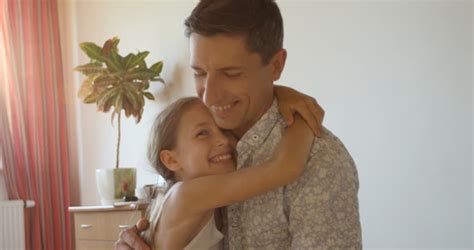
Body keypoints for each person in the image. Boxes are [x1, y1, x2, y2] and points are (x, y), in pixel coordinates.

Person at [117, 0, 362, 248]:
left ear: (276, 65)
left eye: (231, 73)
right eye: (200, 73)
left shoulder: (320, 161)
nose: (209, 97)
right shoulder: (206, 155)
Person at [139, 96, 313, 249]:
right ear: (171, 160)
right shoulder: (184, 196)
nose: (222, 140)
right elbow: (283, 169)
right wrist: (302, 117)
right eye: (203, 133)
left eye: (223, 130)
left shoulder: (212, 204)